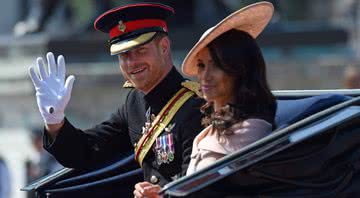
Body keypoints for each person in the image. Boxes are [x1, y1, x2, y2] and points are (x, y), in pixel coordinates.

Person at [27, 2, 203, 197]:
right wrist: (55, 121)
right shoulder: (134, 102)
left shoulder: (194, 106)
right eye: (124, 55)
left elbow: (200, 184)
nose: (131, 63)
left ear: (163, 47)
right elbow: (88, 152)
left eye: (141, 51)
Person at [180, 2, 277, 175]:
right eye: (201, 65)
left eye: (216, 64)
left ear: (239, 69)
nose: (205, 75)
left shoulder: (252, 131)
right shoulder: (209, 130)